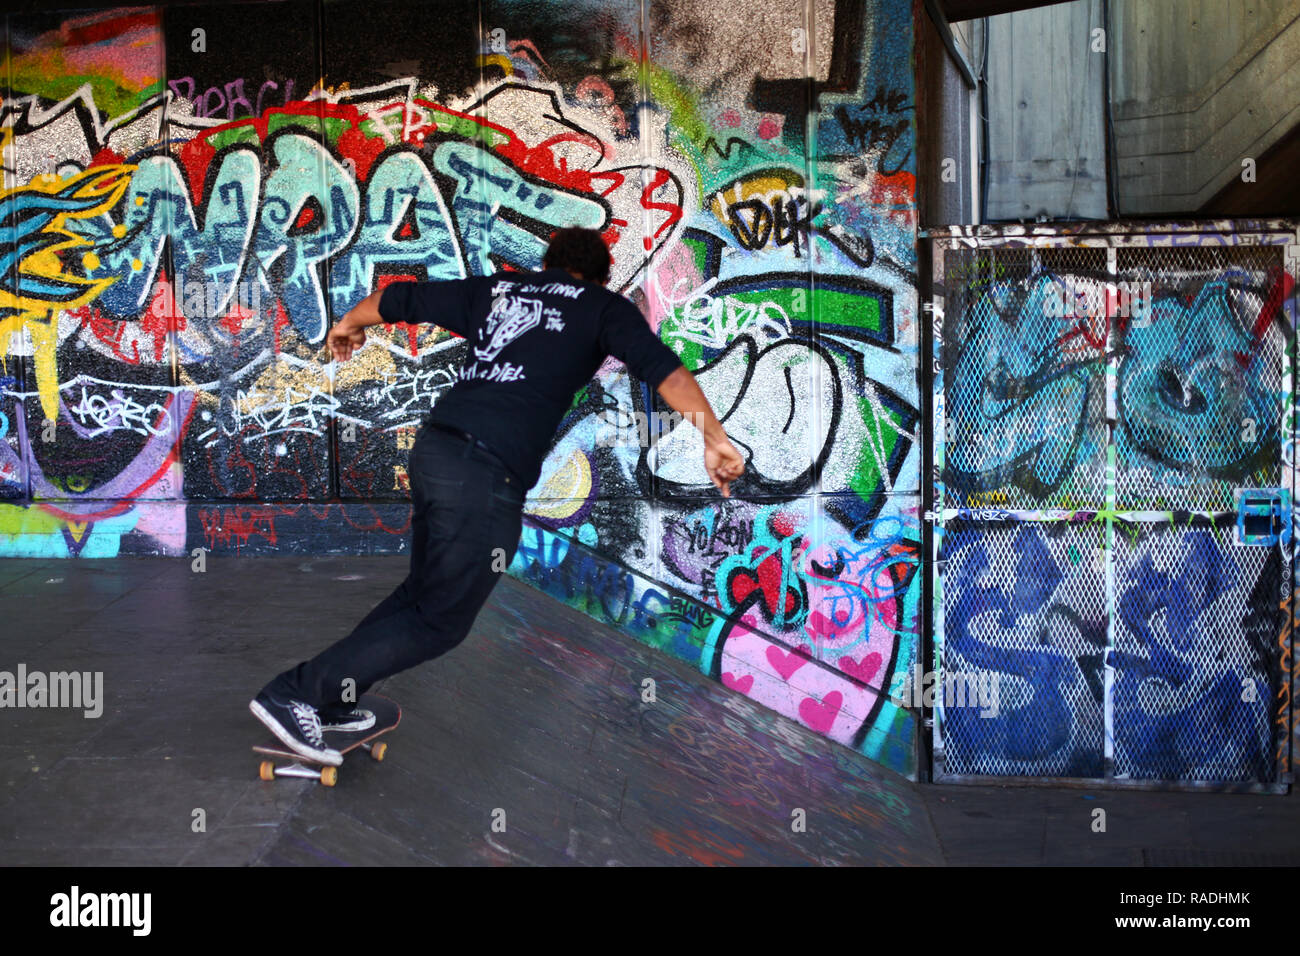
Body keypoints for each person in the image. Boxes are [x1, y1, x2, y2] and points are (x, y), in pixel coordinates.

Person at [249, 227, 745, 764]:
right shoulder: (603, 307)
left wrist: (347, 324)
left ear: (549, 264)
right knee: (440, 620)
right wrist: (713, 437)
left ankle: (331, 697)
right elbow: (664, 370)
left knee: (422, 595)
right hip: (486, 474)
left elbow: (399, 298)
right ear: (600, 275)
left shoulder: (499, 291)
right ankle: (296, 693)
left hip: (438, 451)